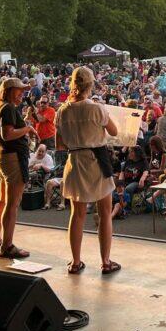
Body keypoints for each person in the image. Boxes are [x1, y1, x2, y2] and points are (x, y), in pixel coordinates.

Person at [55, 66, 121, 275]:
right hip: (95, 161)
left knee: (77, 214)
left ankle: (75, 262)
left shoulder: (62, 110)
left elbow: (59, 144)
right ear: (91, 84)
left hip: (74, 161)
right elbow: (114, 131)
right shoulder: (97, 108)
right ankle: (106, 262)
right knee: (104, 213)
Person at [0, 77, 35, 260]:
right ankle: (7, 246)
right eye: (19, 90)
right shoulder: (8, 108)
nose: (22, 94)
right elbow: (8, 134)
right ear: (8, 91)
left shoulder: (1, 108)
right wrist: (28, 128)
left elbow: (9, 129)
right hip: (12, 158)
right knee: (12, 203)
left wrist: (25, 121)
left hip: (2, 156)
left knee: (2, 200)